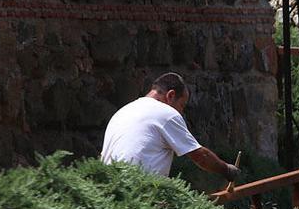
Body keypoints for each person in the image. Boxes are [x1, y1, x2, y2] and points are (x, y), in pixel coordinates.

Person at [101, 72, 240, 187]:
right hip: (138, 192)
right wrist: (226, 169)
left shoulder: (123, 111)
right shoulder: (166, 113)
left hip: (108, 189)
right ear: (171, 95)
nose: (181, 112)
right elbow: (200, 157)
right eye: (181, 105)